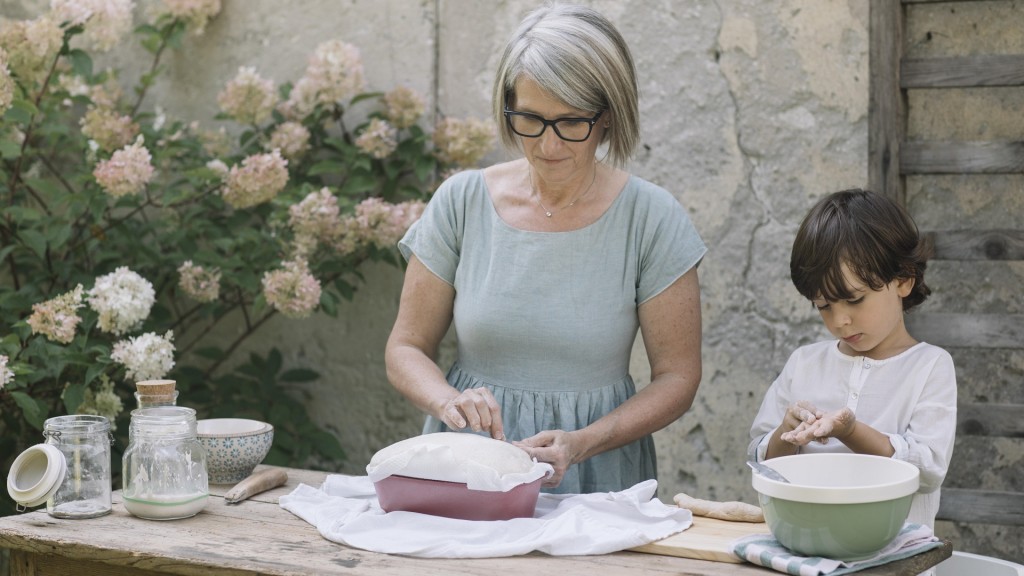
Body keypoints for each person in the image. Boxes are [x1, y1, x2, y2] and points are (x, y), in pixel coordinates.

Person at [385, 2, 706, 494]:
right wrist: (448, 402)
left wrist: (583, 442)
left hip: (596, 474)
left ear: (608, 117)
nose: (548, 145)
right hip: (471, 468)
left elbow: (677, 378)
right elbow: (405, 348)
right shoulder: (462, 202)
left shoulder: (652, 218)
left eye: (571, 122)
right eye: (529, 119)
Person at [748, 188, 957, 529]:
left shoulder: (929, 367)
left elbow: (928, 469)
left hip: (897, 559)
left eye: (855, 300)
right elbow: (760, 460)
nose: (839, 321)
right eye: (824, 306)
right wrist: (787, 432)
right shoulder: (804, 364)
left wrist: (850, 430)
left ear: (903, 280)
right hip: (807, 551)